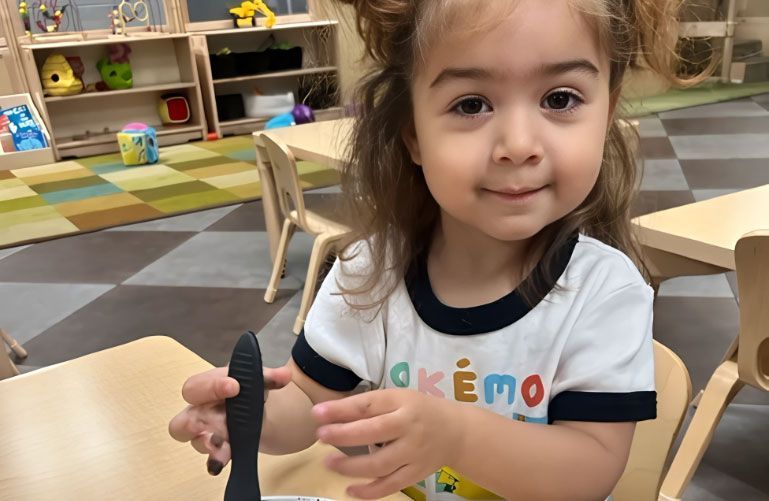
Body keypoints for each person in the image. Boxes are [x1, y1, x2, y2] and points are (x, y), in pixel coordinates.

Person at [170, 0, 702, 498]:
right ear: (413, 134)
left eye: (560, 99)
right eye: (472, 104)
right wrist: (249, 418)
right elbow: (311, 403)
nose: (519, 145)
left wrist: (457, 438)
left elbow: (589, 473)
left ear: (607, 113)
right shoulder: (370, 272)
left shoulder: (605, 292)